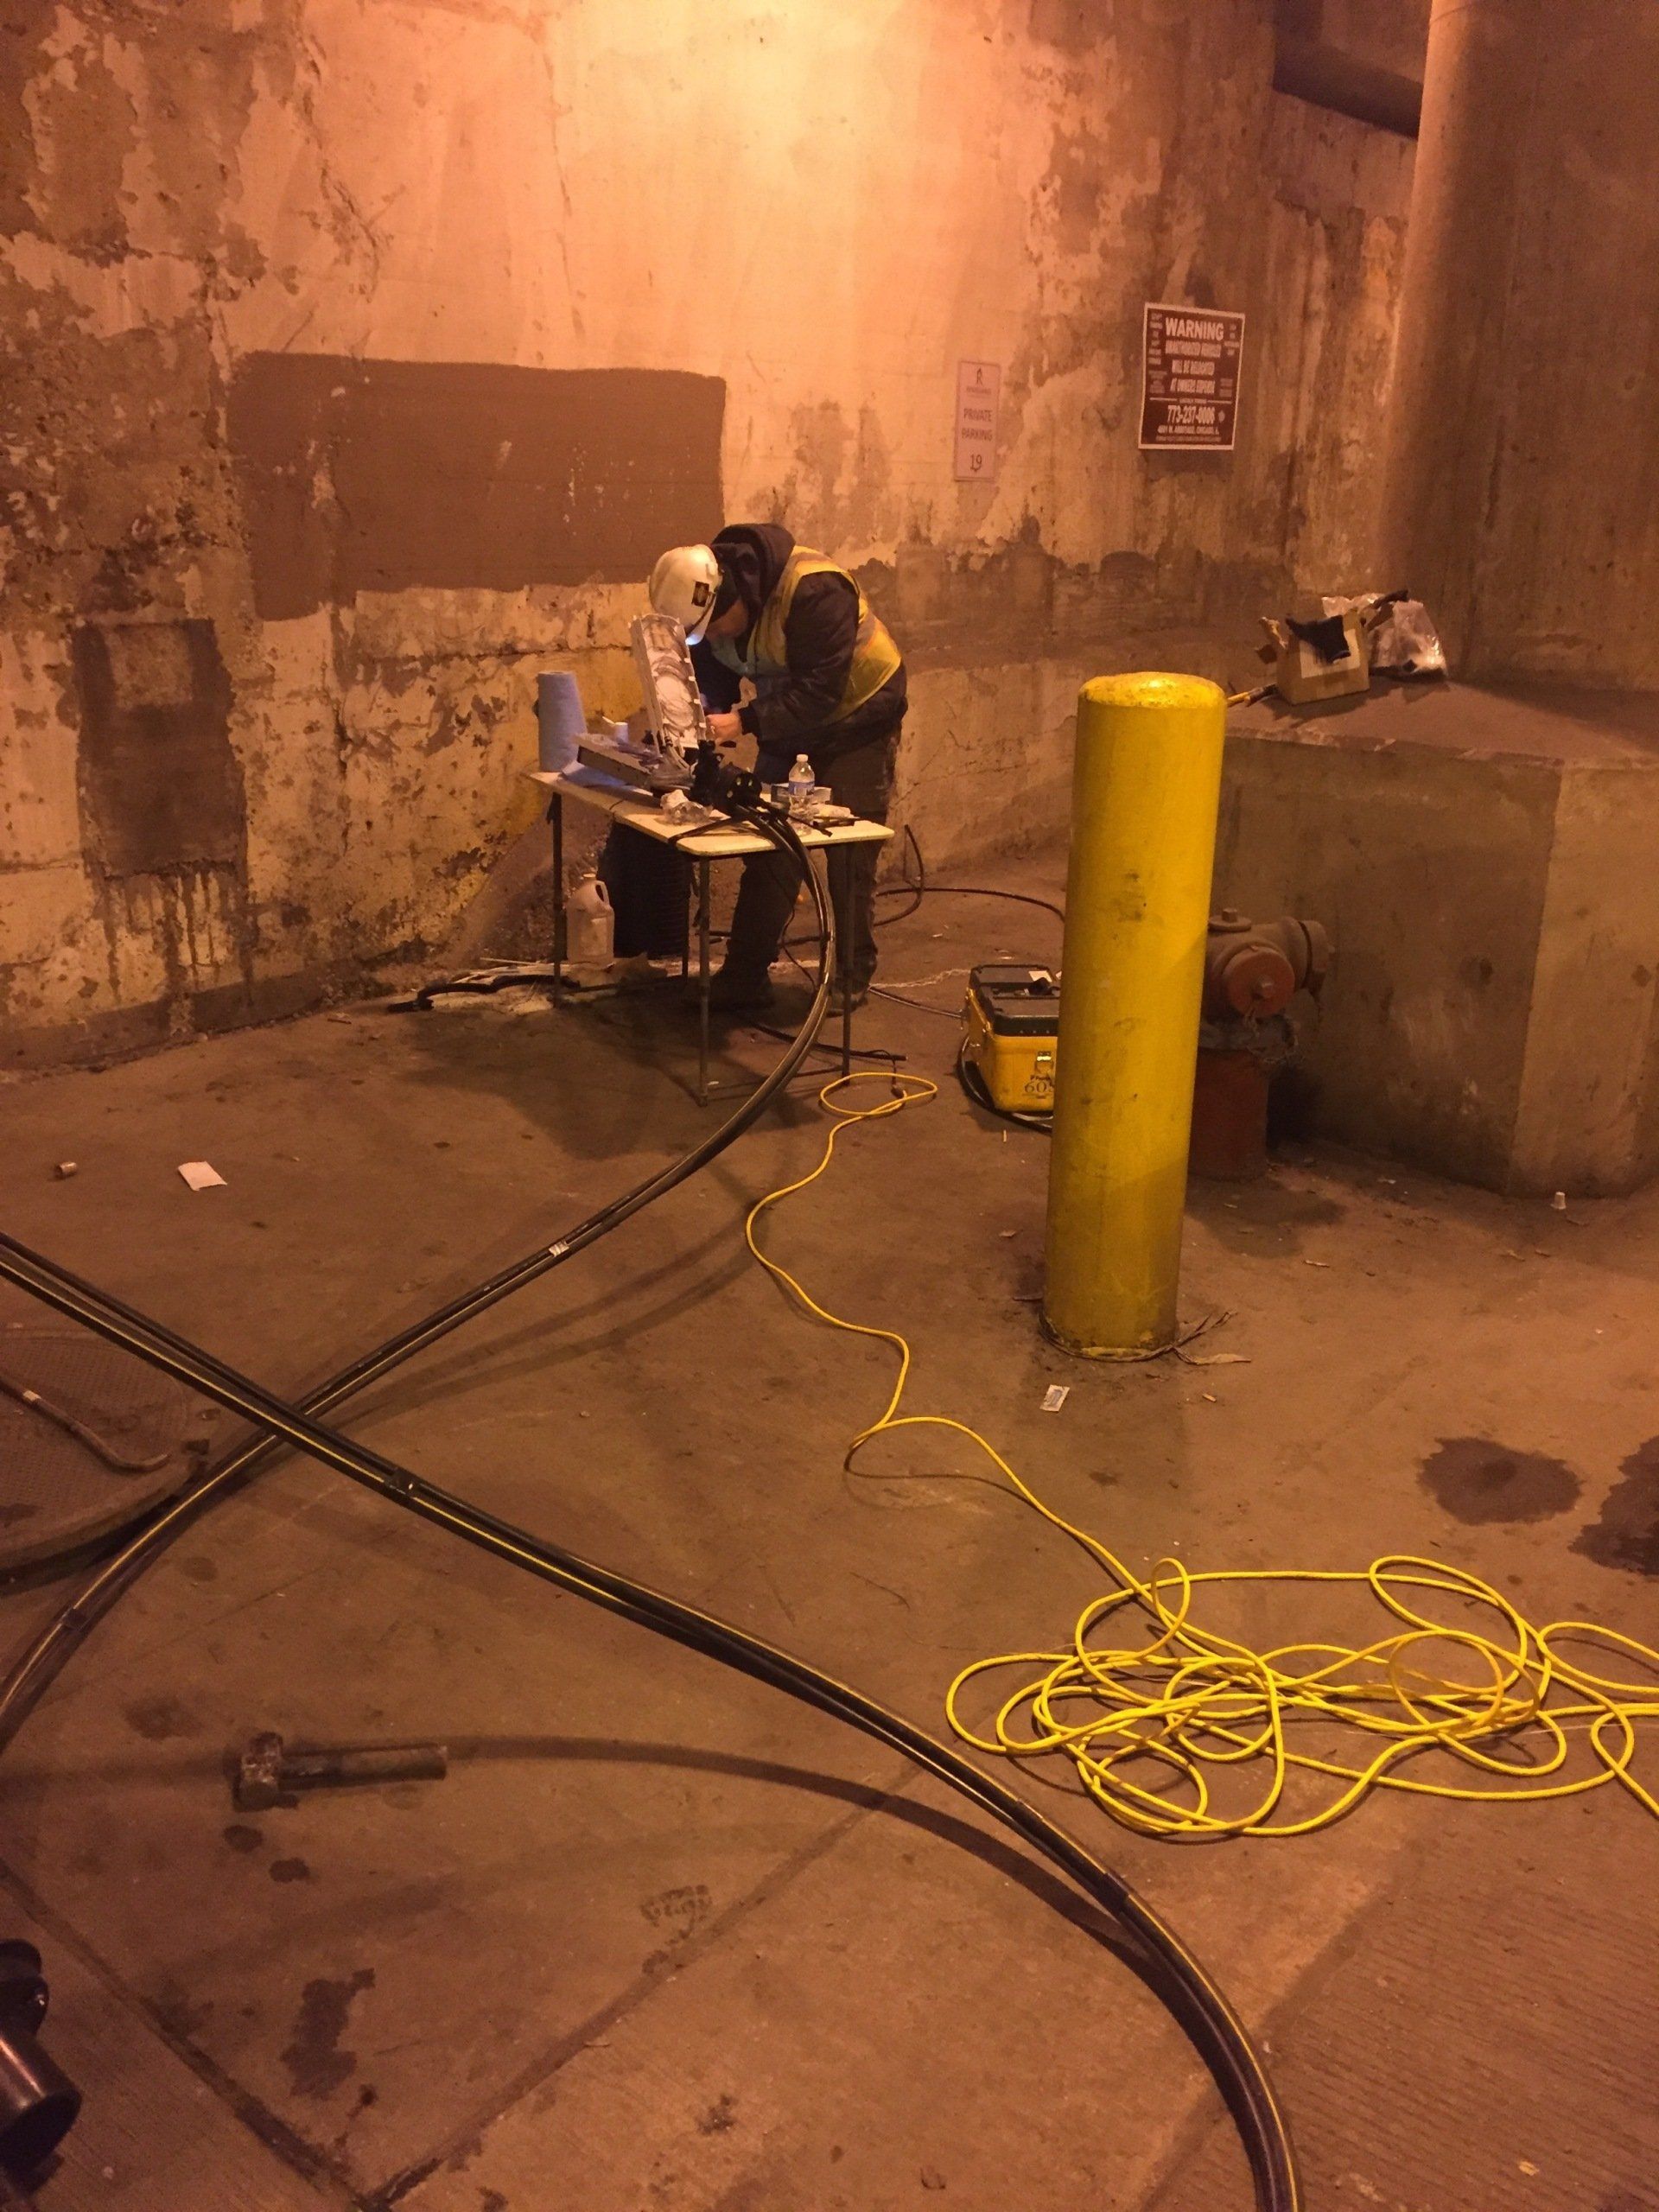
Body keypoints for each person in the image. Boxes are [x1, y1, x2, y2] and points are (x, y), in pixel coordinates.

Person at [648, 524, 907, 1011]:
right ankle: (745, 977)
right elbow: (715, 680)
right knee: (768, 842)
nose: (714, 637)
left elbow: (821, 691)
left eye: (715, 627)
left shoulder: (815, 591)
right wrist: (698, 726)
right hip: (792, 722)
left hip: (860, 715)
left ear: (732, 595)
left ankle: (851, 975)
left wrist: (744, 721)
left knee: (850, 852)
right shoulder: (710, 616)